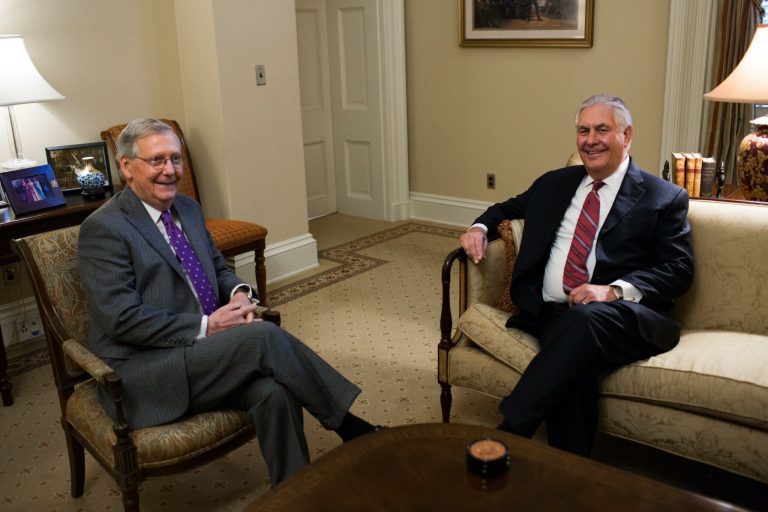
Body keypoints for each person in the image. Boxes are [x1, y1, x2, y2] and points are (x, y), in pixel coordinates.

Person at [78, 118, 377, 485]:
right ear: (126, 167)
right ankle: (352, 427)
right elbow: (120, 319)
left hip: (203, 355)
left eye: (176, 159)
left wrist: (238, 294)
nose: (170, 170)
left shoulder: (186, 208)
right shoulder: (105, 228)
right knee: (263, 336)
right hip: (148, 369)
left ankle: (295, 494)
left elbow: (218, 269)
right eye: (157, 160)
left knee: (275, 392)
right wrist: (209, 325)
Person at [459, 94, 693, 456]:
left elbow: (678, 269)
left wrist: (612, 291)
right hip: (555, 314)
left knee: (584, 323)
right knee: (575, 369)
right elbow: (504, 208)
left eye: (602, 129)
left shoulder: (663, 197)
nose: (590, 139)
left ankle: (511, 428)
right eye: (583, 130)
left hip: (629, 317)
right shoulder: (555, 184)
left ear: (627, 135)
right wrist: (477, 228)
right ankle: (571, 476)